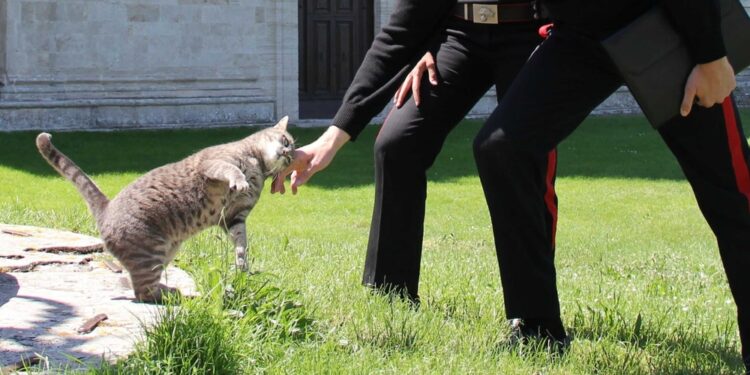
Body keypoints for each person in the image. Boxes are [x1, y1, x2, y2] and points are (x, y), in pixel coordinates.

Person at [467, 0, 749, 370]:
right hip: (581, 38)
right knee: (502, 149)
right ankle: (538, 328)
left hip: (666, 27)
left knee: (731, 193)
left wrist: (710, 57)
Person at [275, 0, 553, 315]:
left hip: (533, 33)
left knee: (511, 152)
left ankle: (533, 317)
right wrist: (332, 137)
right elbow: (402, 29)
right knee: (397, 146)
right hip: (460, 34)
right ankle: (391, 296)